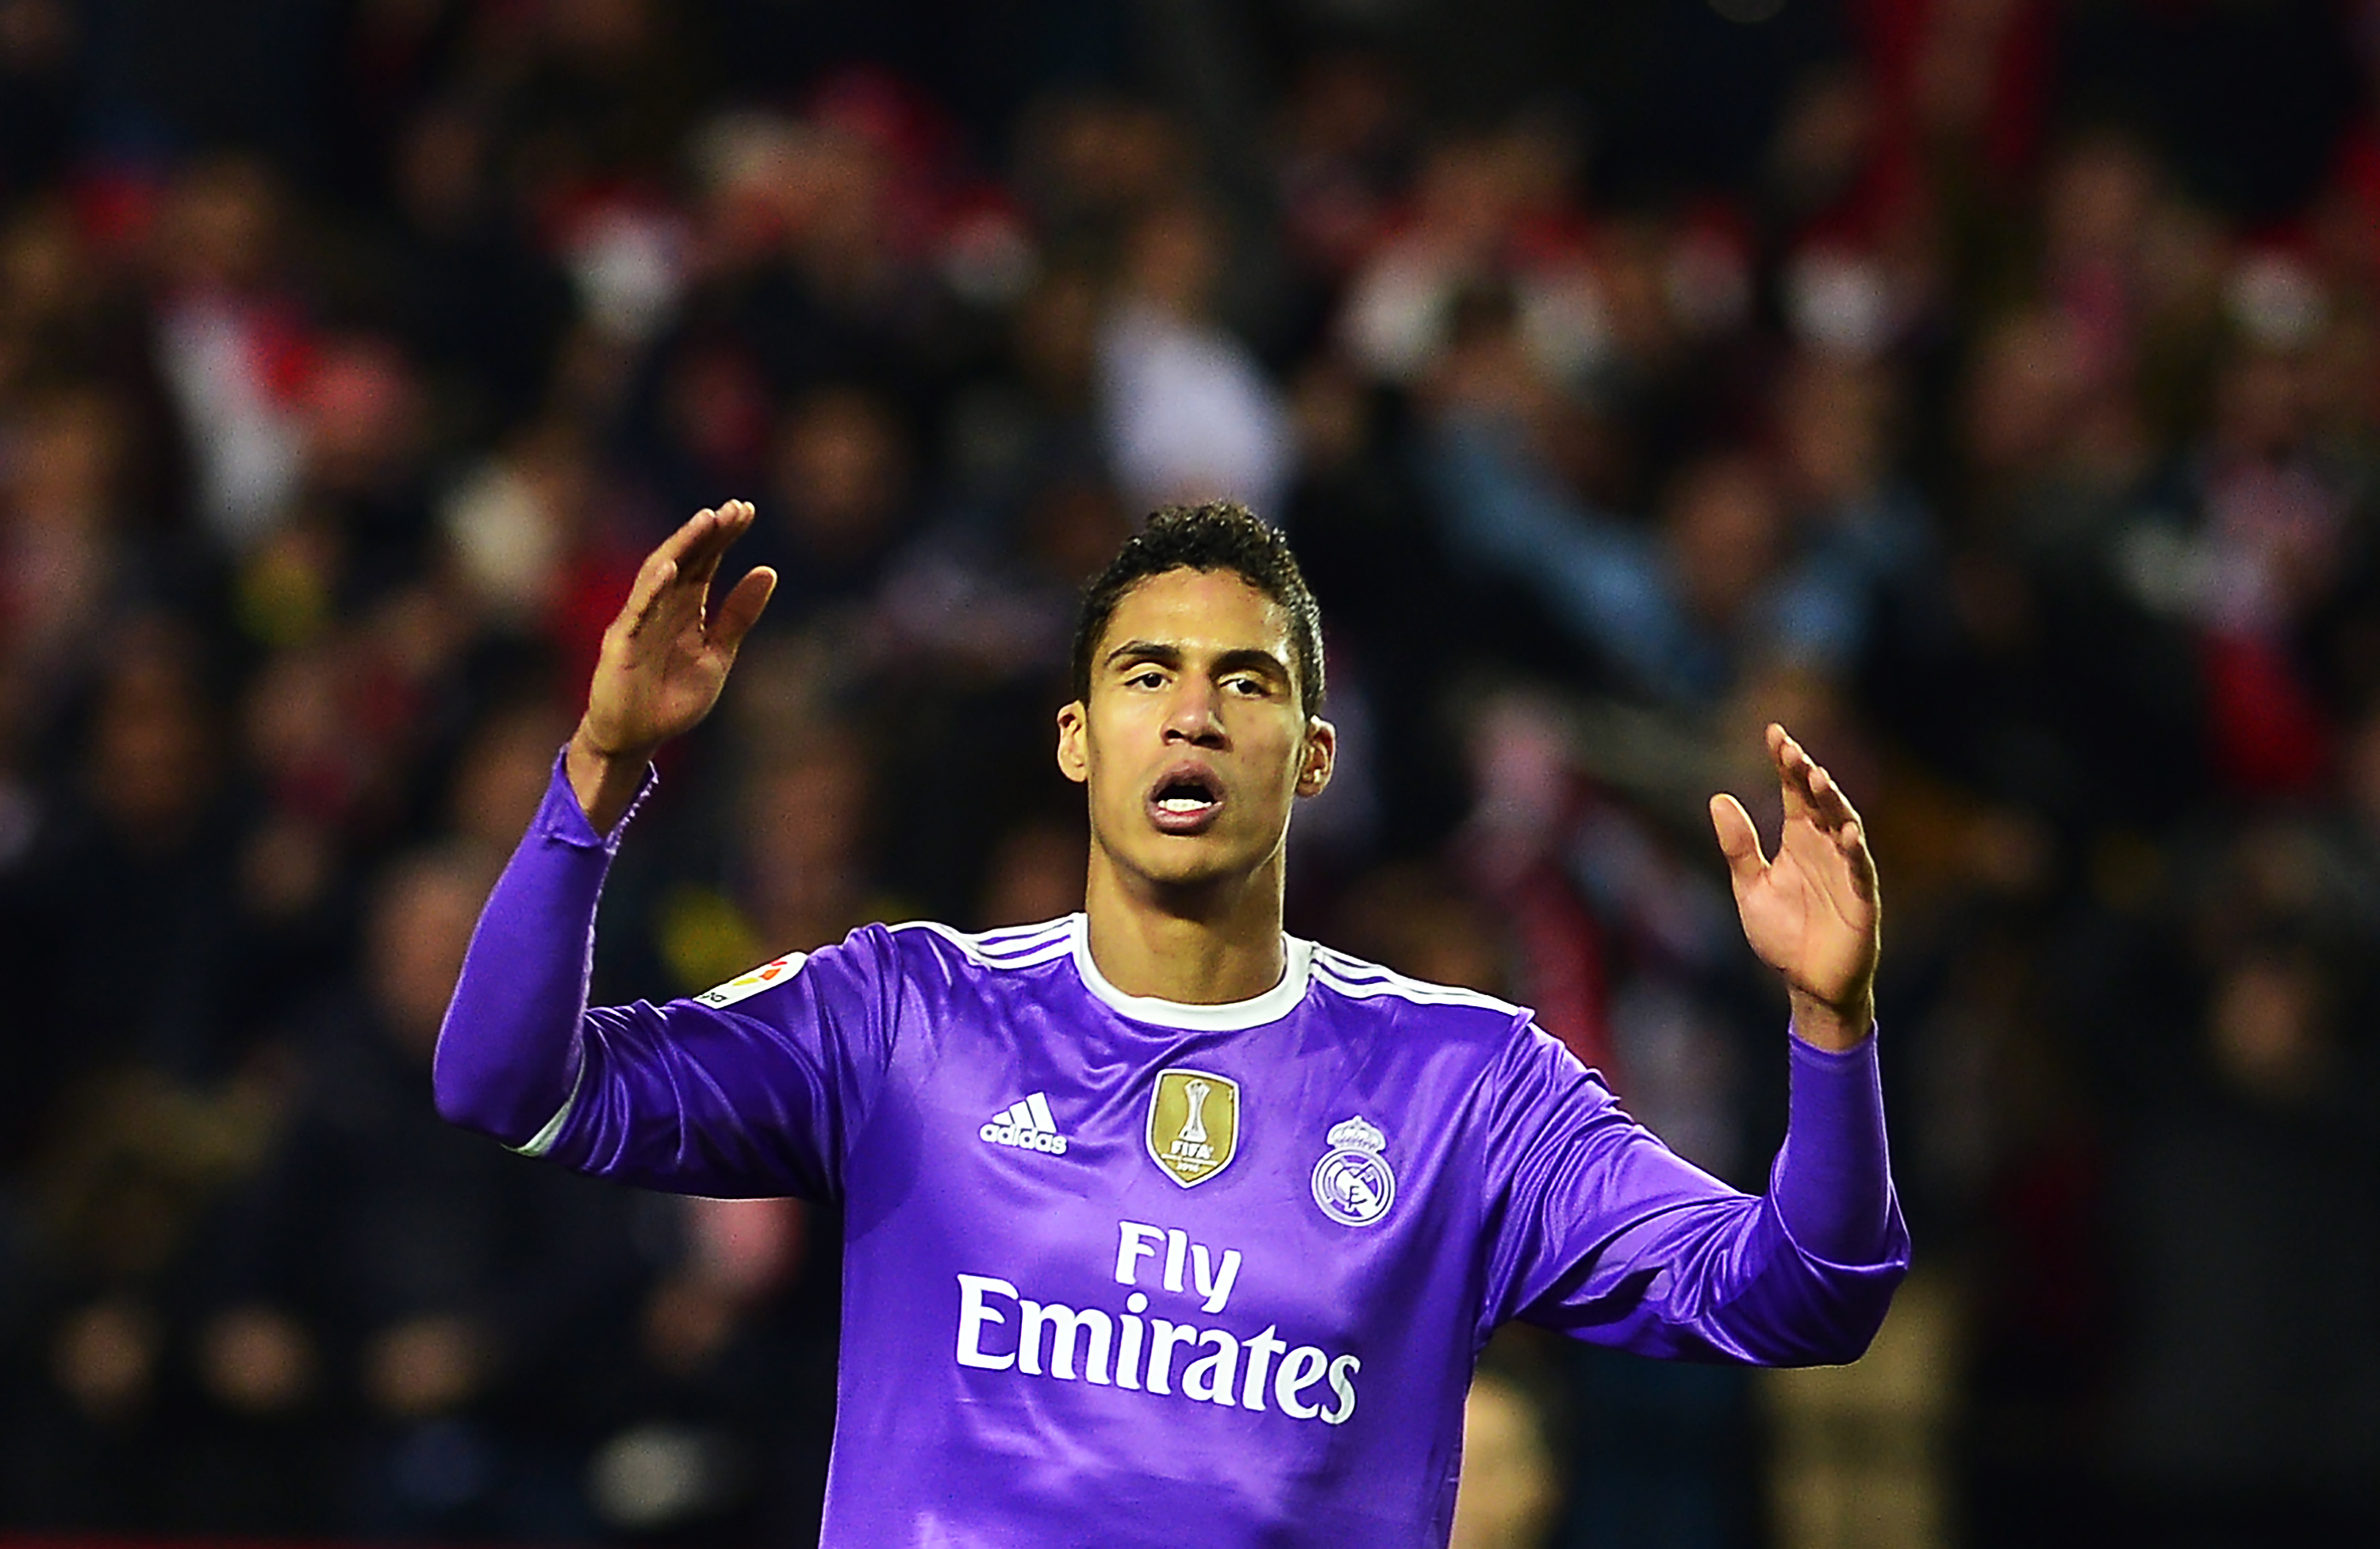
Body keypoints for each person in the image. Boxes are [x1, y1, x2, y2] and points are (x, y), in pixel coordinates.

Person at [436, 497, 1908, 1547]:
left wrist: (1830, 1026)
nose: (1193, 714)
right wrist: (599, 774)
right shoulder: (903, 1017)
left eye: (1244, 683)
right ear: (1079, 736)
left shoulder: (1467, 1090)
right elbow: (506, 1083)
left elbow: (1802, 1293)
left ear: (1314, 755)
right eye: (1148, 675)